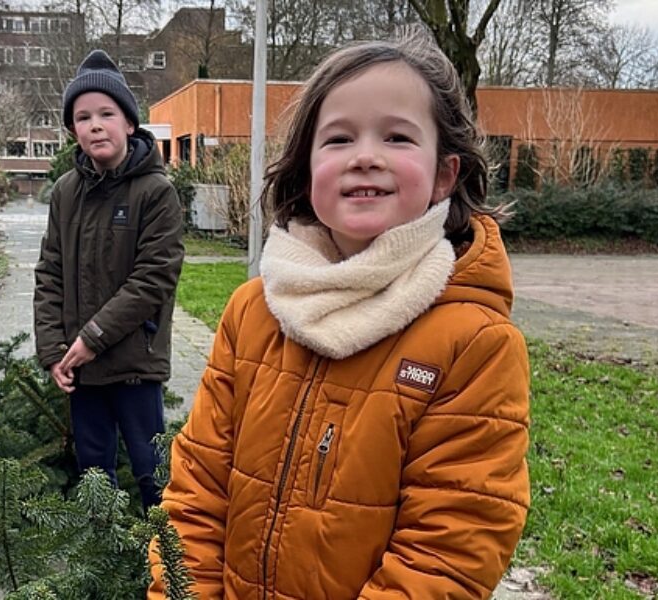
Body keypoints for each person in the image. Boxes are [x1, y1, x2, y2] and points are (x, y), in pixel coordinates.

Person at [151, 27, 530, 599]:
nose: (366, 158)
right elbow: (197, 491)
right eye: (339, 139)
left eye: (399, 137)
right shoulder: (252, 312)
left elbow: (449, 551)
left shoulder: (475, 343)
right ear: (306, 170)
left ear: (444, 174)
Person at [33, 49, 184, 511]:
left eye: (106, 114)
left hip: (135, 364)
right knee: (94, 475)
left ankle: (165, 565)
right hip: (81, 369)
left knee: (151, 472)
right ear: (73, 131)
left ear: (130, 124)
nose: (95, 125)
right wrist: (54, 351)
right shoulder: (65, 193)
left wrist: (93, 337)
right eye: (83, 117)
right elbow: (50, 273)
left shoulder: (156, 192)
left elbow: (152, 278)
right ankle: (104, 560)